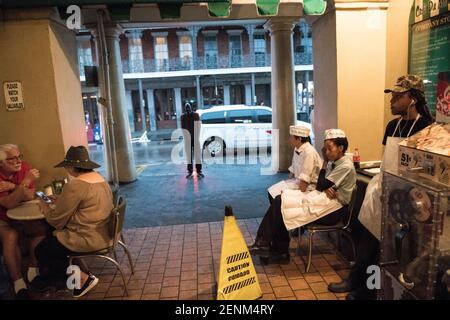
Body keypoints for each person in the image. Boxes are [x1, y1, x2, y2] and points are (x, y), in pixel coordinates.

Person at [328, 74, 434, 299]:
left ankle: (365, 289)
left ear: (413, 98)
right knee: (368, 238)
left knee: (386, 248)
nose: (391, 100)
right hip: (384, 190)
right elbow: (387, 158)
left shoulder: (427, 128)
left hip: (408, 199)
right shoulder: (392, 125)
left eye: (397, 96)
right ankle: (357, 282)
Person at [250, 129, 356, 264]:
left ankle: (272, 247)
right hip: (324, 198)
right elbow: (322, 185)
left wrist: (324, 165)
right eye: (325, 150)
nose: (326, 152)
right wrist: (326, 185)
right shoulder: (335, 161)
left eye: (329, 149)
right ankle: (268, 245)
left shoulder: (345, 165)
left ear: (341, 148)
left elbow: (321, 184)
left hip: (334, 210)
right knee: (280, 201)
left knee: (282, 204)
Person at [31, 146, 114, 298]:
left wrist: (45, 207)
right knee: (52, 242)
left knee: (42, 251)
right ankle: (70, 275)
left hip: (87, 238)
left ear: (70, 167)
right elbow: (86, 203)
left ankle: (83, 279)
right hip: (103, 233)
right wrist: (60, 199)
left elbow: (56, 220)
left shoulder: (76, 185)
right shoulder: (99, 179)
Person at [0, 144, 47, 300]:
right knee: (11, 236)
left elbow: (30, 196)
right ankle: (18, 283)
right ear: (1, 162)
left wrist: (14, 186)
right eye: (12, 158)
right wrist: (24, 183)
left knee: (40, 229)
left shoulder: (25, 167)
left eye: (19, 156)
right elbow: (8, 204)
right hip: (2, 217)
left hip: (21, 213)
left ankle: (32, 270)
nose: (18, 161)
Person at [181, 102, 204, 179]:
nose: (187, 110)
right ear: (185, 109)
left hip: (195, 138)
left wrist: (196, 137)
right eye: (186, 109)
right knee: (189, 157)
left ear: (191, 108)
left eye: (188, 108)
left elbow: (198, 126)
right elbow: (183, 128)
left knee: (197, 156)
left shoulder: (195, 115)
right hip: (188, 139)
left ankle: (199, 171)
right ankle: (190, 171)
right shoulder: (183, 116)